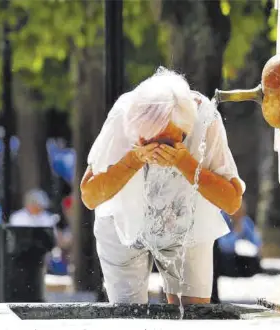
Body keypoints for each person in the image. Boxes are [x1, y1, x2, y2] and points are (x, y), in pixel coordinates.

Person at [80, 67, 245, 305]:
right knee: (129, 318)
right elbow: (90, 195)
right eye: (146, 140)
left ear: (185, 130)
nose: (156, 149)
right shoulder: (123, 114)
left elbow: (231, 201)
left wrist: (184, 162)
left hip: (188, 222)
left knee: (193, 318)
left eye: (166, 141)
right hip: (123, 224)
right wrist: (135, 159)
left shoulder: (205, 120)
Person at [211, 201, 262, 303]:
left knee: (254, 262)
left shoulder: (244, 221)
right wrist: (237, 234)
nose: (239, 215)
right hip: (223, 257)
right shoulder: (221, 219)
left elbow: (257, 242)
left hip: (237, 256)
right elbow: (223, 245)